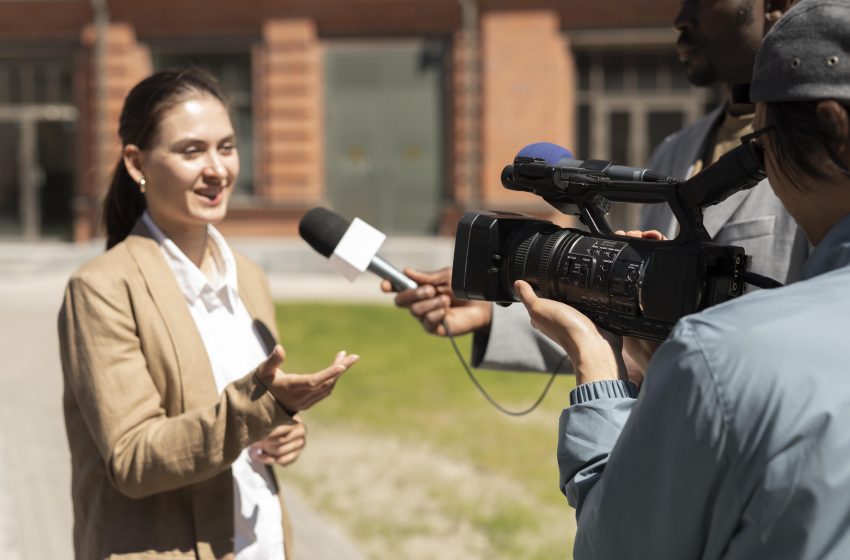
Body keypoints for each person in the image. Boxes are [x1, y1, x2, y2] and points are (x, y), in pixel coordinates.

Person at [515, 0, 850, 556]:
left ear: (833, 132)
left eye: (762, 145)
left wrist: (598, 370)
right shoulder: (677, 148)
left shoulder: (719, 357)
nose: (759, 158)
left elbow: (614, 545)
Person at [386, 0, 809, 377]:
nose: (681, 18)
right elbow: (635, 321)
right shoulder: (674, 150)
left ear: (777, 5)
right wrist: (500, 307)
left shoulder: (817, 155)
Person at [58, 68, 359, 559]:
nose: (217, 169)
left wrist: (285, 432)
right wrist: (262, 410)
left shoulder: (248, 275)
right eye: (191, 151)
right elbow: (133, 458)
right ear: (137, 163)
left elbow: (252, 418)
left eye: (226, 147)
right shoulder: (102, 289)